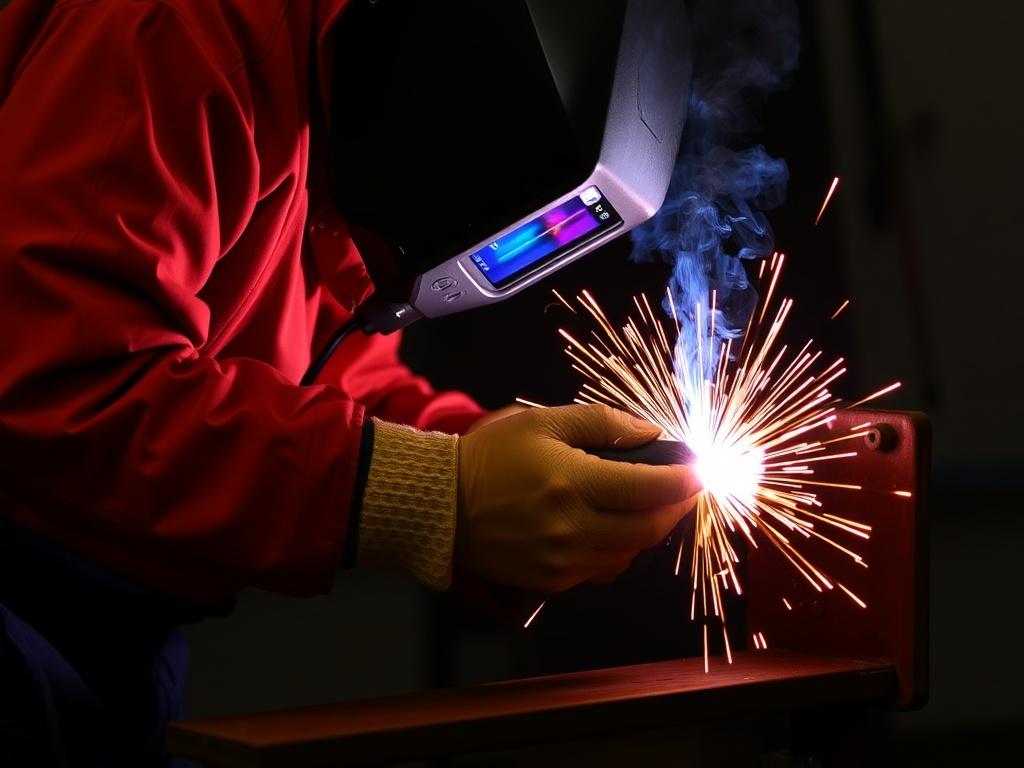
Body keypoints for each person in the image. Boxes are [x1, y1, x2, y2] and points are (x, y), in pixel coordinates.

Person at [0, 1, 701, 764]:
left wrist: (501, 467)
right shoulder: (182, 24)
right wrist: (437, 495)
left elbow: (317, 366)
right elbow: (48, 382)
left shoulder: (338, 94)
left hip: (114, 638)